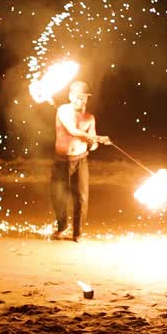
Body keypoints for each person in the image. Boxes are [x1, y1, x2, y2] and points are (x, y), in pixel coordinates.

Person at [51, 80, 109, 241]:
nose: (81, 100)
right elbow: (72, 130)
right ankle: (62, 228)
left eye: (84, 98)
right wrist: (96, 138)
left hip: (80, 160)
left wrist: (94, 143)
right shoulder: (63, 110)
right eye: (78, 97)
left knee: (81, 198)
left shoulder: (90, 118)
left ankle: (78, 233)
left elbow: (93, 143)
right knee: (58, 196)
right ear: (70, 96)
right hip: (61, 160)